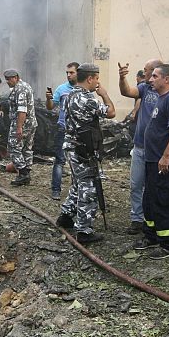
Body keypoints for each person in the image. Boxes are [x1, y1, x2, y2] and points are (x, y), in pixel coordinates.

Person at [129, 64, 169, 259]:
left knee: (164, 200)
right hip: (152, 159)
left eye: (154, 76)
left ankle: (168, 245)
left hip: (165, 162)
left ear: (166, 79)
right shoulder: (161, 98)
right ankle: (151, 236)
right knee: (150, 199)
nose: (150, 79)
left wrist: (166, 155)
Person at [55, 63, 115, 244]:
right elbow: (111, 112)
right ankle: (84, 230)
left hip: (72, 146)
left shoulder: (70, 94)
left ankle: (66, 216)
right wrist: (104, 94)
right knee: (88, 188)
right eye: (97, 78)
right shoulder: (88, 99)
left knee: (78, 183)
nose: (98, 81)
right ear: (90, 78)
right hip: (83, 149)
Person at [118, 59, 164, 234]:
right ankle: (137, 218)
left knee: (154, 186)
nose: (144, 74)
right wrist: (122, 78)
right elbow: (127, 91)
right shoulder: (145, 89)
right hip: (139, 147)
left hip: (157, 149)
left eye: (147, 71)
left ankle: (153, 219)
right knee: (136, 184)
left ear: (156, 72)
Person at [46, 62, 79, 200]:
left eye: (71, 72)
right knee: (60, 160)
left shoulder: (83, 89)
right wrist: (48, 99)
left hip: (78, 131)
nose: (68, 75)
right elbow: (50, 107)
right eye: (67, 72)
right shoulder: (62, 88)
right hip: (63, 128)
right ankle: (55, 190)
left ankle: (76, 192)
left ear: (79, 73)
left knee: (77, 161)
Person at [4, 69, 36, 186]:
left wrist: (19, 128)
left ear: (16, 77)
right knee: (27, 148)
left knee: (13, 146)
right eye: (6, 79)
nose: (8, 81)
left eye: (10, 79)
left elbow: (22, 110)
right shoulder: (26, 85)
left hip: (22, 123)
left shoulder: (20, 89)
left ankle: (22, 173)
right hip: (31, 123)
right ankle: (26, 173)